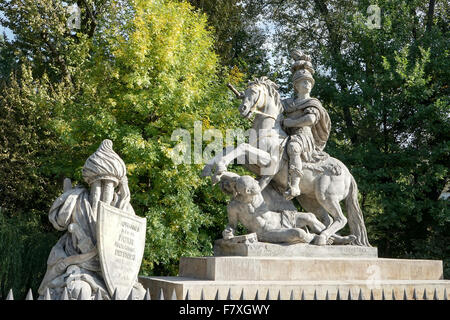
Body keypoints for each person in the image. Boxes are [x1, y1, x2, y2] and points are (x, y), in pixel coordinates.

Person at [38, 140, 145, 300]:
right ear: (90, 181)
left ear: (115, 185)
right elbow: (59, 222)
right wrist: (67, 198)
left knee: (138, 294)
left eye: (109, 184)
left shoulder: (123, 209)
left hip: (112, 273)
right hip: (80, 267)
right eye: (98, 183)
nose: (102, 189)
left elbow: (130, 249)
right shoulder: (76, 199)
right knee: (78, 291)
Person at [282, 50, 331, 200]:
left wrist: (292, 122)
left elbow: (310, 119)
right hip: (286, 133)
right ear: (296, 85)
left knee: (293, 147)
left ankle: (295, 185)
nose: (307, 84)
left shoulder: (312, 102)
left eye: (309, 82)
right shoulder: (287, 103)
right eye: (304, 81)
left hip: (304, 135)